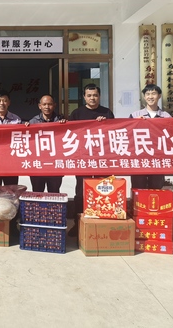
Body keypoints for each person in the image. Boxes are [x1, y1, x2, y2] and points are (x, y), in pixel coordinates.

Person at [68, 83, 115, 237]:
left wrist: (106, 124)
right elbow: (68, 133)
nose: (92, 98)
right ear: (84, 97)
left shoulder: (107, 112)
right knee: (81, 192)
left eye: (95, 95)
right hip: (83, 160)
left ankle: (103, 221)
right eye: (89, 95)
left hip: (102, 160)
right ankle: (78, 224)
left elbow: (115, 133)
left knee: (103, 190)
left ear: (99, 96)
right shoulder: (76, 113)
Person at [129, 84, 172, 190]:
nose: (150, 97)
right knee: (138, 189)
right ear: (144, 97)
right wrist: (134, 123)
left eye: (153, 94)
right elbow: (127, 134)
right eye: (147, 94)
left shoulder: (166, 116)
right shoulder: (135, 115)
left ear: (159, 96)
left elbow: (172, 136)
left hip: (158, 159)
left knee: (156, 189)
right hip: (139, 159)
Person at [28, 94, 67, 193]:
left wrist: (65, 126)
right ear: (39, 106)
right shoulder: (33, 122)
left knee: (54, 193)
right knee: (37, 193)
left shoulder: (61, 121)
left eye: (49, 104)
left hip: (55, 165)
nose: (47, 107)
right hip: (38, 165)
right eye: (44, 104)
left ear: (54, 105)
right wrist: (25, 128)